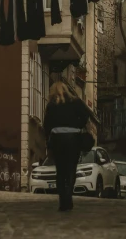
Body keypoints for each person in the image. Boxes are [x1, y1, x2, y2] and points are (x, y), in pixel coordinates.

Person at [43, 81, 91, 211]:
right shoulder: (75, 102)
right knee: (71, 169)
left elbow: (46, 125)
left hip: (58, 139)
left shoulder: (52, 105)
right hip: (73, 139)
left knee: (60, 170)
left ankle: (62, 200)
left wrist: (49, 139)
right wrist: (77, 125)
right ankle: (69, 197)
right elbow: (86, 115)